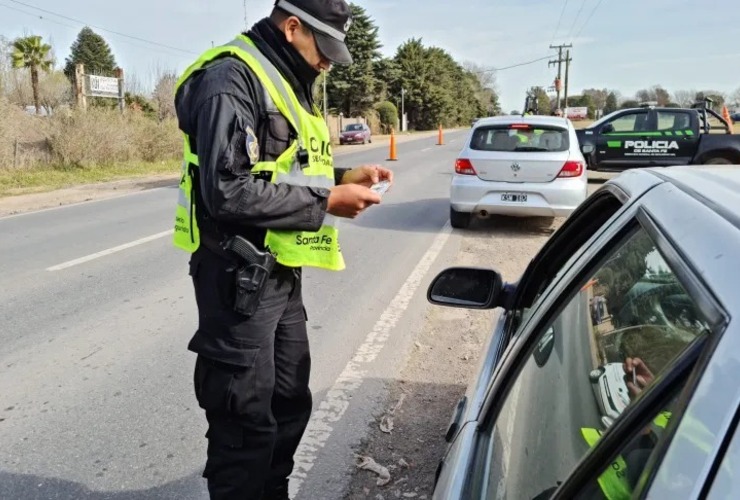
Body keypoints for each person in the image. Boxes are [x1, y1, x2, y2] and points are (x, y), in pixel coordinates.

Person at [172, 1, 393, 498]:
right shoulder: (231, 80)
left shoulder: (285, 77)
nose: (329, 62)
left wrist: (341, 178)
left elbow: (283, 169)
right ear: (293, 27)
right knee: (244, 424)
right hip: (237, 278)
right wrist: (328, 201)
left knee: (289, 401)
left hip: (279, 271)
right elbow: (226, 190)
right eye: (325, 49)